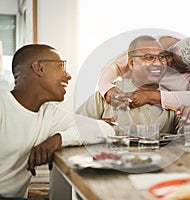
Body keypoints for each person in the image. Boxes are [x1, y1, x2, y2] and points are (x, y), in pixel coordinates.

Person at [0, 44, 114, 198]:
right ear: (39, 68)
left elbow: (106, 130)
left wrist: (59, 139)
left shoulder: (50, 114)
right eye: (61, 66)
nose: (68, 76)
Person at [76, 35, 179, 133]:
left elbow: (187, 134)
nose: (158, 63)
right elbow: (72, 126)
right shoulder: (108, 95)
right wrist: (94, 126)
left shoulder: (173, 99)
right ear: (131, 63)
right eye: (148, 57)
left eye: (162, 57)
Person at [98, 35, 190, 110]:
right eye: (167, 55)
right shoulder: (154, 46)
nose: (163, 63)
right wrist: (107, 89)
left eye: (176, 65)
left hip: (167, 113)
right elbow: (114, 65)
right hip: (126, 101)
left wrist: (150, 95)